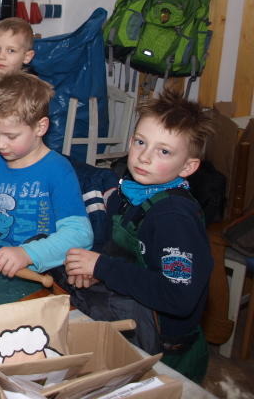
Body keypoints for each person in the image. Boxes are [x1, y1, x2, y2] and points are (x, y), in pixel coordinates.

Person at [64, 89, 214, 382]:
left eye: (164, 151)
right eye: (140, 142)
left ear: (188, 167)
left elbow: (177, 296)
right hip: (136, 330)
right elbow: (135, 259)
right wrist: (100, 271)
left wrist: (102, 267)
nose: (144, 157)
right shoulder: (133, 194)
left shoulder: (174, 219)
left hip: (166, 354)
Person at [0, 72, 92, 278]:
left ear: (40, 127)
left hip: (43, 274)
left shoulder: (58, 171)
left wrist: (27, 254)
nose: (0, 144)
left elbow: (79, 236)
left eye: (11, 136)